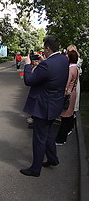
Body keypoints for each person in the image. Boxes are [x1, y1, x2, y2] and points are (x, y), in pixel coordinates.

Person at [20, 35, 69, 177]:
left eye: (44, 49)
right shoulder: (62, 60)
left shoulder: (46, 65)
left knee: (39, 138)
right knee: (47, 134)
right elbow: (50, 75)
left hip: (43, 107)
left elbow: (28, 80)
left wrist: (28, 65)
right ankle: (53, 159)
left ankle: (35, 169)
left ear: (47, 48)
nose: (43, 52)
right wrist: (42, 62)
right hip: (55, 105)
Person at [55, 50, 79, 145]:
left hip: (68, 94)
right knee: (69, 115)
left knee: (65, 117)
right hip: (73, 93)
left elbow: (66, 84)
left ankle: (61, 139)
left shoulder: (70, 70)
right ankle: (68, 130)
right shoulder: (75, 68)